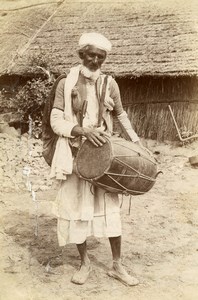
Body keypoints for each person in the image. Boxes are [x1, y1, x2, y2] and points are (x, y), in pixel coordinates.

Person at [50, 32, 142, 286]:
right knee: (77, 208)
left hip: (104, 157)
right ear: (81, 55)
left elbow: (121, 116)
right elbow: (56, 120)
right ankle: (84, 262)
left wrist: (137, 144)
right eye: (91, 55)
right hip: (75, 154)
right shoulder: (65, 83)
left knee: (110, 210)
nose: (96, 60)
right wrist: (82, 131)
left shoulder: (109, 83)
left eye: (101, 57)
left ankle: (117, 265)